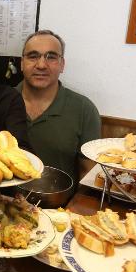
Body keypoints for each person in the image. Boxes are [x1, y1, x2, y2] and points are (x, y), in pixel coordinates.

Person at [17, 30, 100, 182]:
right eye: (33, 56)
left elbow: (88, 173)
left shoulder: (84, 110)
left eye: (51, 57)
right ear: (22, 63)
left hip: (59, 204)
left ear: (62, 64)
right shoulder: (1, 101)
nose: (41, 65)